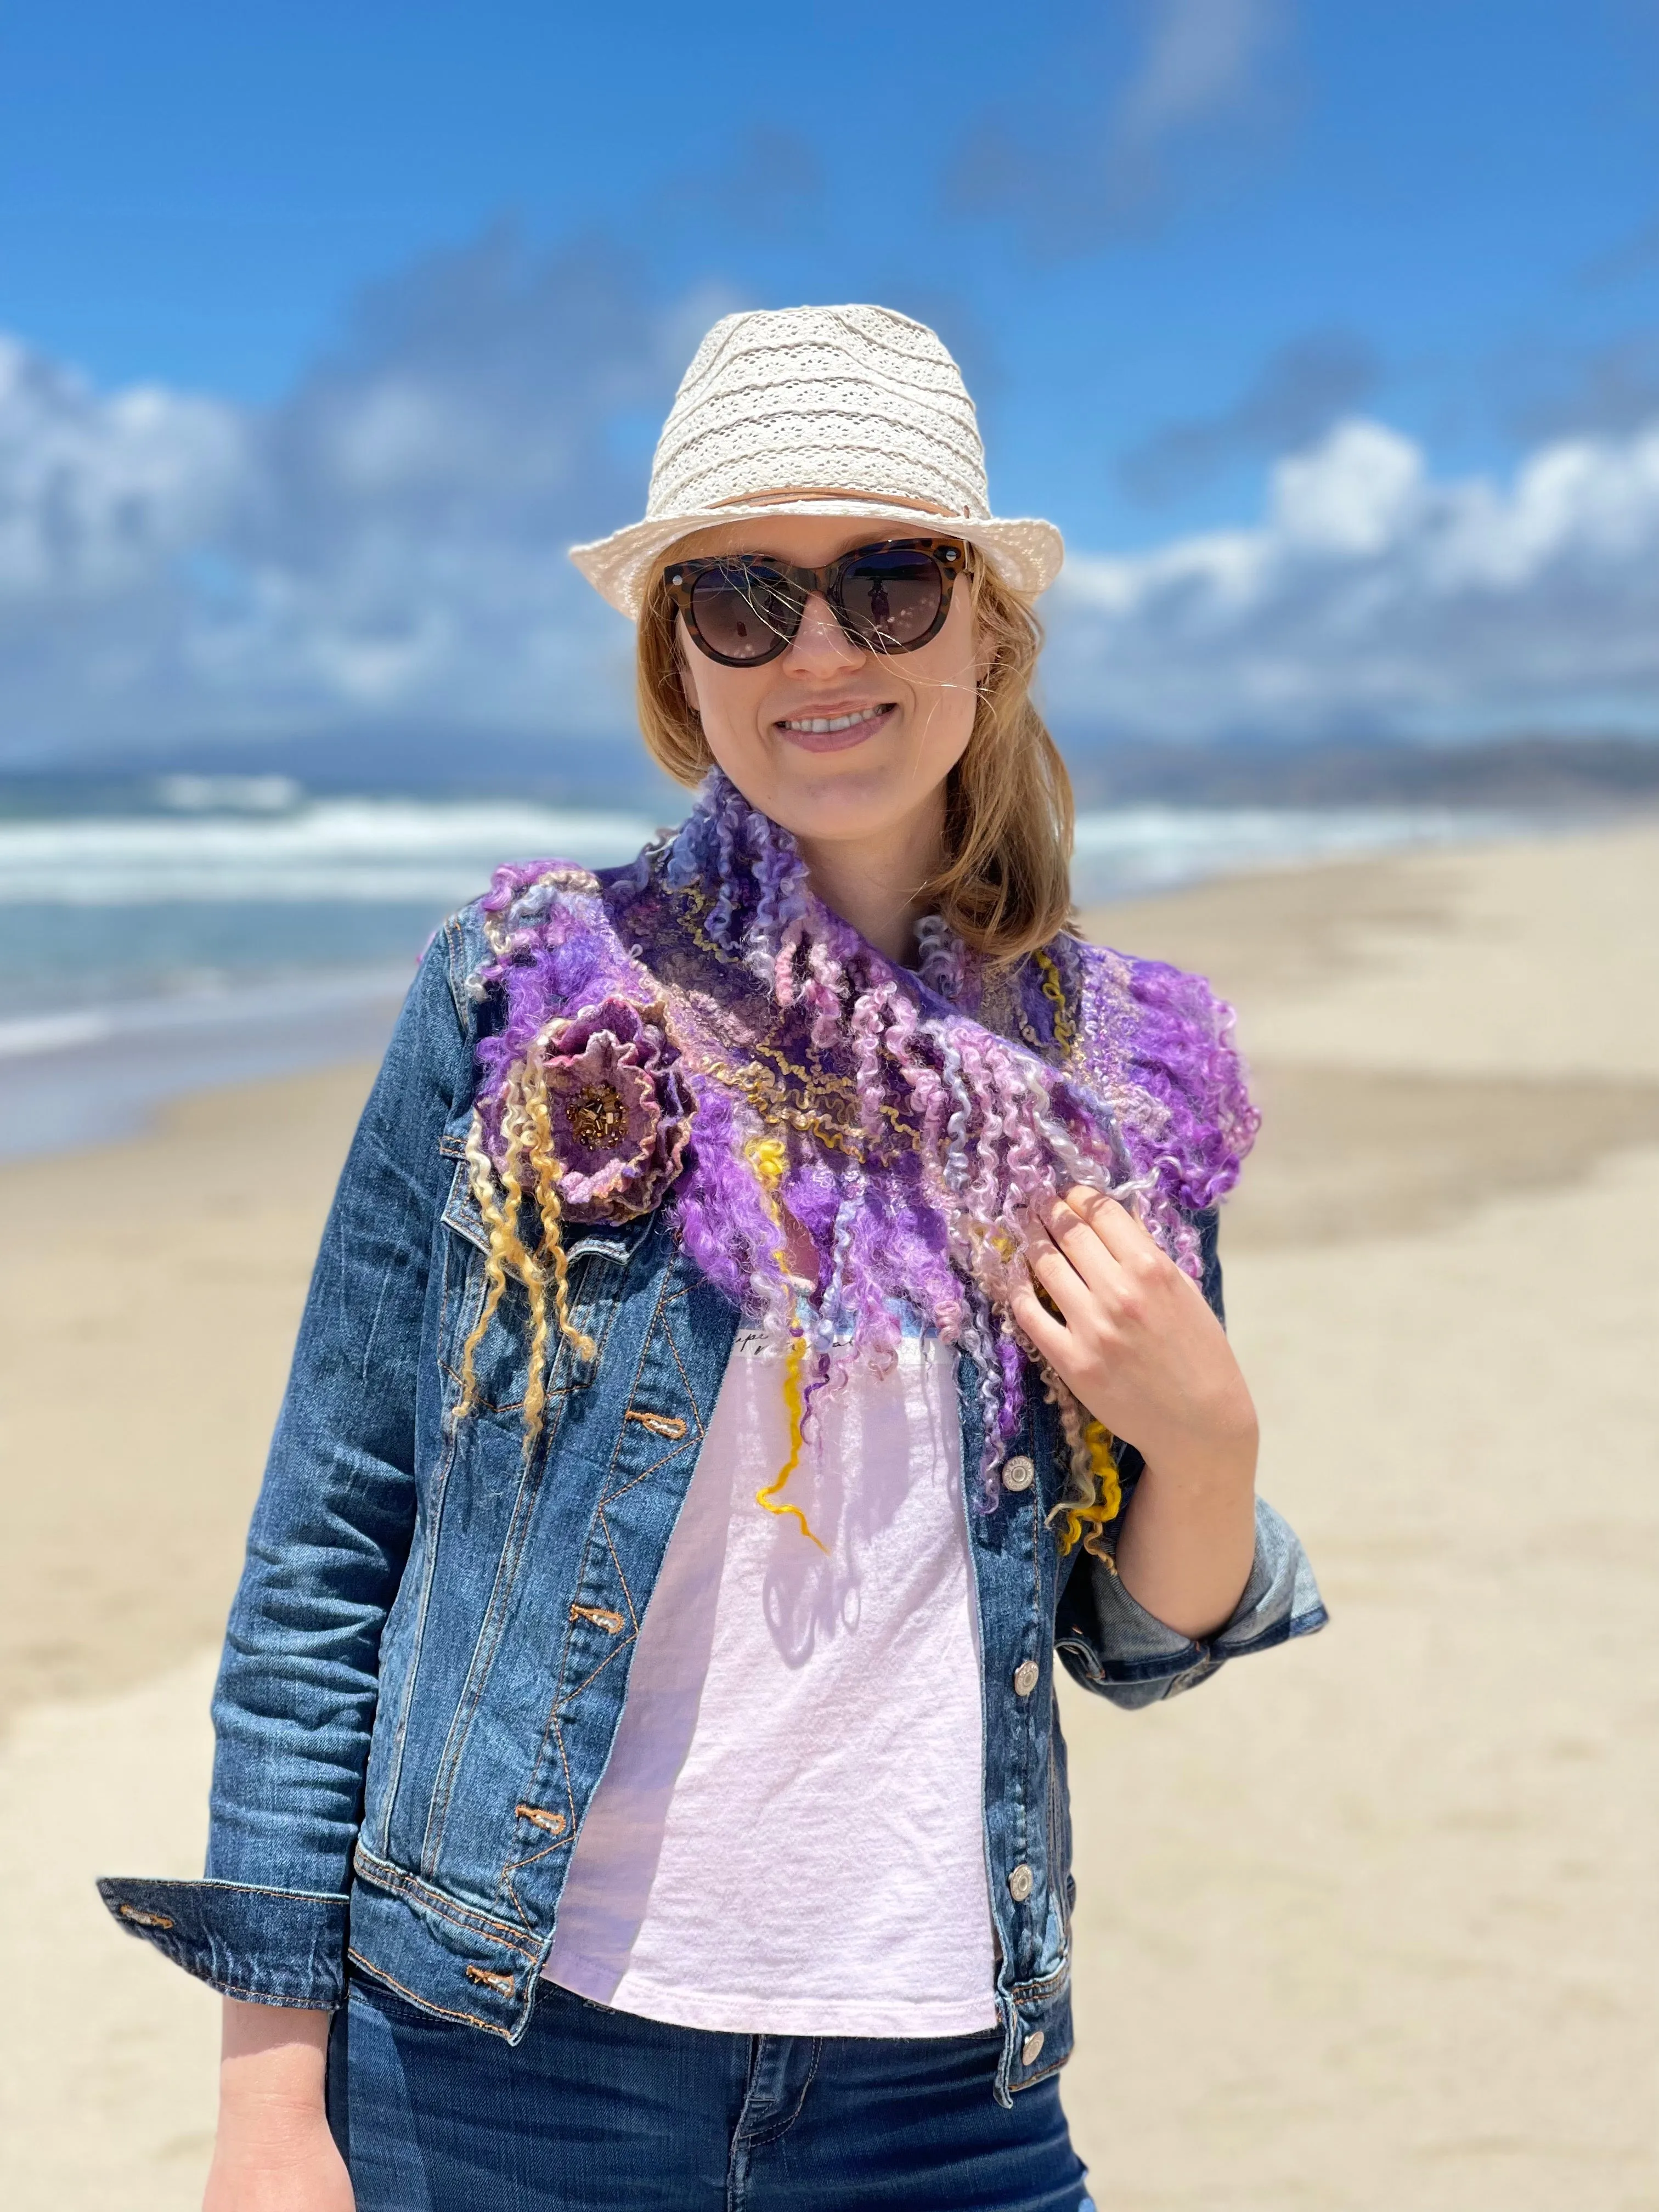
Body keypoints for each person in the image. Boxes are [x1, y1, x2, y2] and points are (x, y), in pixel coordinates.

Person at [101, 304, 1326, 2212]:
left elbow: (1133, 1642)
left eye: (889, 584)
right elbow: (330, 1550)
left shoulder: (1118, 1079)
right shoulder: (523, 996)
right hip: (500, 2061)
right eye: (745, 597)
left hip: (945, 2086)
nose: (819, 649)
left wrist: (1214, 1441)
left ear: (987, 632)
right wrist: (268, 2107)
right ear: (684, 657)